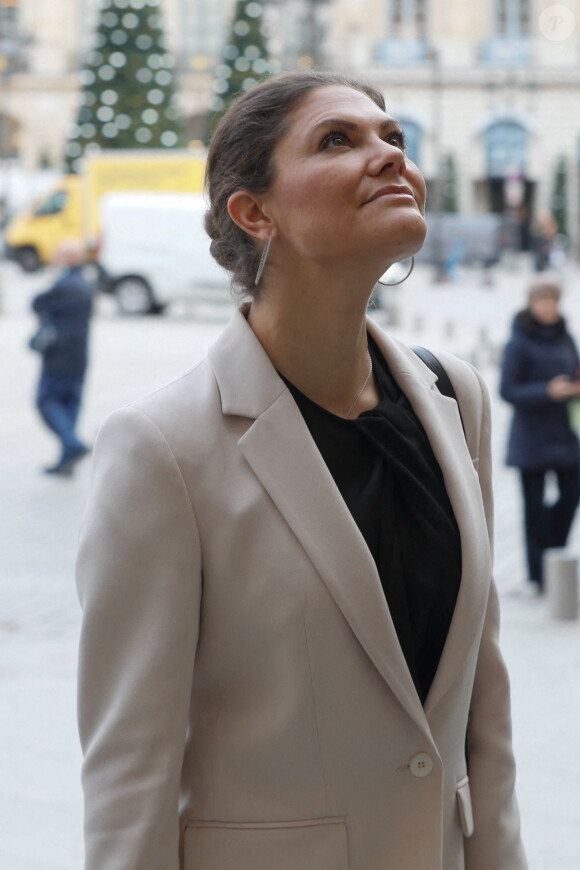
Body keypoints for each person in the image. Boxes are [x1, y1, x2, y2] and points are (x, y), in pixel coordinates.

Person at [76, 71, 527, 870]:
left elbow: (481, 718)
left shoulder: (456, 398)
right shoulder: (162, 448)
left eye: (393, 137)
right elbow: (129, 775)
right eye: (338, 140)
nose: (389, 155)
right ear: (255, 213)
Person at [500, 273, 580, 592]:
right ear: (531, 303)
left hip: (565, 435)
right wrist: (547, 391)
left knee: (571, 494)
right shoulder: (517, 342)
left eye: (553, 300)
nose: (548, 307)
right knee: (532, 508)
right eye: (542, 300)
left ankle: (552, 551)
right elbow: (508, 390)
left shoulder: (565, 336)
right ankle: (538, 575)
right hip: (531, 438)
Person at [31, 239, 94, 475]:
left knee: (46, 401)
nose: (55, 258)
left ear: (69, 258)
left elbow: (37, 301)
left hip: (59, 356)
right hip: (79, 357)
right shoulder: (85, 284)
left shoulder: (67, 286)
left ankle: (72, 444)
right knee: (69, 406)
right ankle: (66, 460)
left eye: (59, 254)